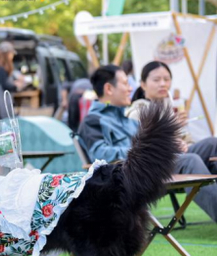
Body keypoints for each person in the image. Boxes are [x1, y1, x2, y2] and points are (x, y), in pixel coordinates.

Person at [78, 65, 217, 223]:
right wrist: (147, 151)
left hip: (149, 166)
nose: (131, 88)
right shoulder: (93, 121)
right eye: (125, 83)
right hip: (128, 176)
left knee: (212, 145)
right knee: (190, 160)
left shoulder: (128, 120)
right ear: (109, 88)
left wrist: (169, 143)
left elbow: (150, 143)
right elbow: (101, 155)